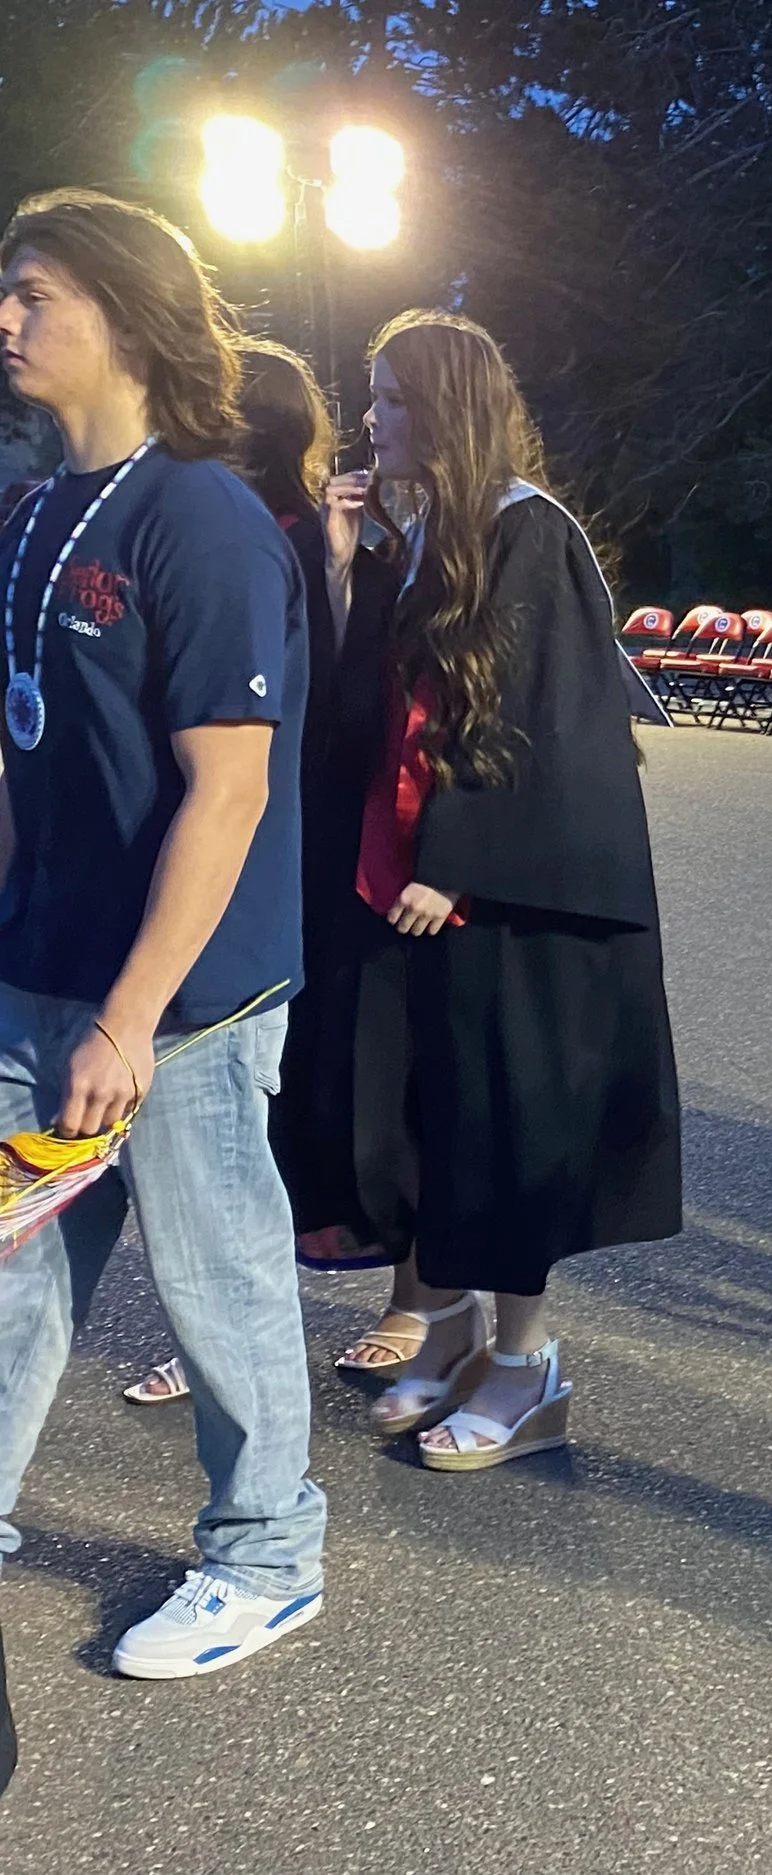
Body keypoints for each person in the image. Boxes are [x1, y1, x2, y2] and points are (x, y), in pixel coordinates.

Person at [0, 188, 327, 1681]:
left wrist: (129, 1015)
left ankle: (266, 1555)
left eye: (35, 293)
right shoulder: (32, 513)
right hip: (39, 967)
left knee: (217, 1276)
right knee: (16, 1261)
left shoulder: (201, 516)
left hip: (182, 996)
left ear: (125, 317)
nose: (6, 318)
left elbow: (230, 789)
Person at [328, 309, 681, 1471]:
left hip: (510, 898)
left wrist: (455, 860)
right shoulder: (430, 530)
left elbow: (539, 715)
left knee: (515, 1121)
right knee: (433, 1116)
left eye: (390, 399)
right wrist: (344, 562)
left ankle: (528, 1368)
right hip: (422, 889)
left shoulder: (529, 531)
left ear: (445, 409)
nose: (370, 418)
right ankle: (452, 1327)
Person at [123, 337, 395, 1407]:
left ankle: (275, 1359)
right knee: (220, 1147)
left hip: (290, 853)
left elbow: (320, 710)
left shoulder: (272, 536)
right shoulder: (214, 523)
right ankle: (213, 1344)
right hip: (248, 850)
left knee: (253, 1131)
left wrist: (337, 563)